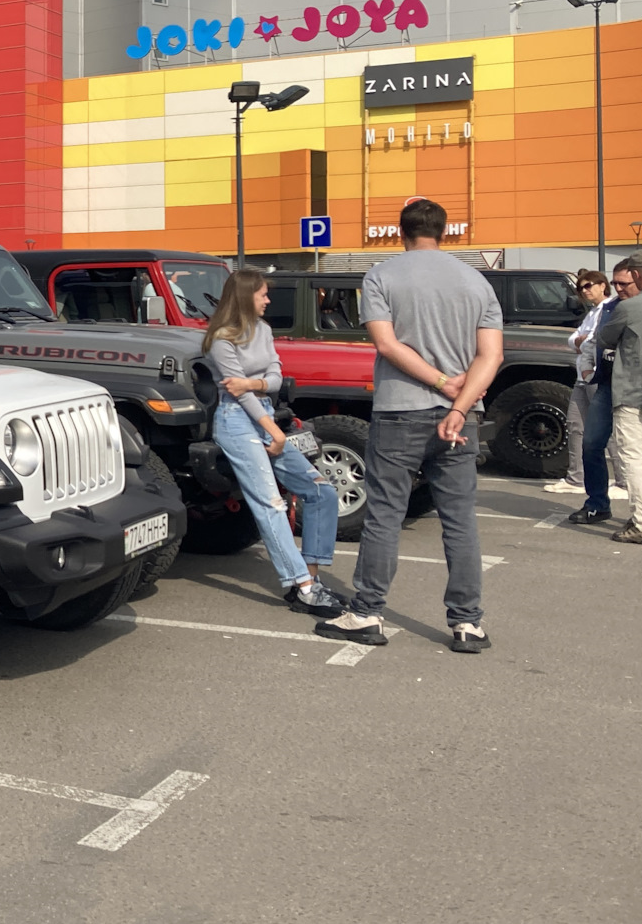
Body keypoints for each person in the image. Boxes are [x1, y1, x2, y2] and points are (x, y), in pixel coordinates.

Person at [317, 198, 504, 655]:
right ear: (445, 232)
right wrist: (458, 404)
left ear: (401, 231)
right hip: (459, 418)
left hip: (400, 410)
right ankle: (467, 623)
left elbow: (386, 343)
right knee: (459, 520)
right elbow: (492, 355)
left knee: (385, 514)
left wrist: (440, 381)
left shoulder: (381, 275)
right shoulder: (477, 281)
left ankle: (366, 612)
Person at [202, 268, 347, 616]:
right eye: (263, 294)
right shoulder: (221, 339)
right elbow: (236, 395)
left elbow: (275, 378)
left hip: (263, 413)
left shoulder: (263, 330)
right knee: (270, 503)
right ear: (244, 297)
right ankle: (303, 587)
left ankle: (309, 579)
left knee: (320, 490)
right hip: (236, 421)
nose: (268, 300)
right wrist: (275, 428)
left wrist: (253, 384)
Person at [595, 250, 642, 544]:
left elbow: (605, 337)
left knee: (633, 458)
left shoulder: (631, 307)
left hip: (635, 390)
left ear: (635, 275)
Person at [570, 260, 642, 527]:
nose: (619, 288)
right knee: (591, 444)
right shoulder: (608, 308)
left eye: (624, 283)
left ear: (640, 279)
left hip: (639, 387)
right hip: (607, 384)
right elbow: (591, 341)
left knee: (638, 452)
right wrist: (588, 370)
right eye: (615, 283)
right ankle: (597, 504)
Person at [547, 270, 621, 498]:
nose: (584, 291)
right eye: (581, 288)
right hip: (582, 376)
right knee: (575, 425)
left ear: (602, 285)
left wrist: (583, 340)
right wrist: (582, 340)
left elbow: (596, 339)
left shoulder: (611, 308)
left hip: (597, 375)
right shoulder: (591, 313)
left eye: (588, 286)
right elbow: (574, 339)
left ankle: (623, 480)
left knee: (604, 429)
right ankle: (576, 478)